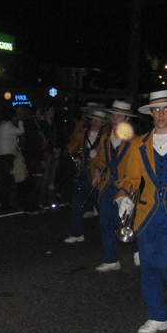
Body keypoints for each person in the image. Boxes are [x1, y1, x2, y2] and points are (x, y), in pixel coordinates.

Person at [119, 90, 167, 333]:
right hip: (147, 211)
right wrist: (122, 196)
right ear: (151, 112)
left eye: (166, 109)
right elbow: (131, 178)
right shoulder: (138, 143)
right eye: (156, 109)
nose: (161, 114)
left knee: (164, 263)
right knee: (148, 266)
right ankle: (157, 316)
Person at [90, 100, 140, 271]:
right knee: (105, 222)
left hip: (126, 187)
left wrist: (126, 179)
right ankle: (112, 260)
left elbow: (138, 166)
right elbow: (100, 159)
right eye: (112, 115)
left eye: (119, 116)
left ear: (126, 118)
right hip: (108, 186)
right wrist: (97, 171)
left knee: (127, 221)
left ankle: (137, 250)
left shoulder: (135, 141)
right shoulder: (105, 138)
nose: (114, 119)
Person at [64, 104, 108, 243]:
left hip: (97, 177)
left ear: (103, 123)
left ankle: (111, 234)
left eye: (98, 120)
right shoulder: (84, 134)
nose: (95, 122)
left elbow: (107, 156)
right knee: (77, 203)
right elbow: (72, 142)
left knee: (102, 208)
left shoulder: (106, 137)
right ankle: (77, 233)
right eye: (93, 119)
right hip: (84, 174)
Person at [0, 105, 24, 210]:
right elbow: (21, 131)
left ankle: (5, 202)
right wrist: (20, 121)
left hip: (2, 156)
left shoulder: (3, 125)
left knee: (4, 180)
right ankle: (6, 203)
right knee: (7, 181)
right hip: (6, 156)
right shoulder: (8, 126)